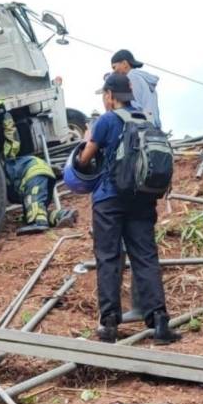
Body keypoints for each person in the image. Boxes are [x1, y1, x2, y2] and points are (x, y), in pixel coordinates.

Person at [64, 73, 181, 344]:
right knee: (146, 257)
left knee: (109, 257)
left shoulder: (106, 120)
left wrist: (87, 140)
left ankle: (109, 324)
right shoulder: (146, 119)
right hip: (142, 197)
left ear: (109, 96)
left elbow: (83, 161)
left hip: (110, 198)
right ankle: (160, 322)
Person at [1, 111, 76, 235]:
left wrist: (6, 116)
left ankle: (39, 223)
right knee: (32, 213)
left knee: (34, 212)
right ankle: (62, 215)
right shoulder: (8, 168)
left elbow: (11, 139)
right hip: (42, 173)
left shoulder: (7, 165)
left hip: (33, 174)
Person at [110, 49, 162, 129]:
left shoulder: (132, 77)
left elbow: (136, 108)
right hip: (153, 129)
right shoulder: (143, 78)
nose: (114, 72)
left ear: (124, 64)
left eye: (114, 67)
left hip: (142, 129)